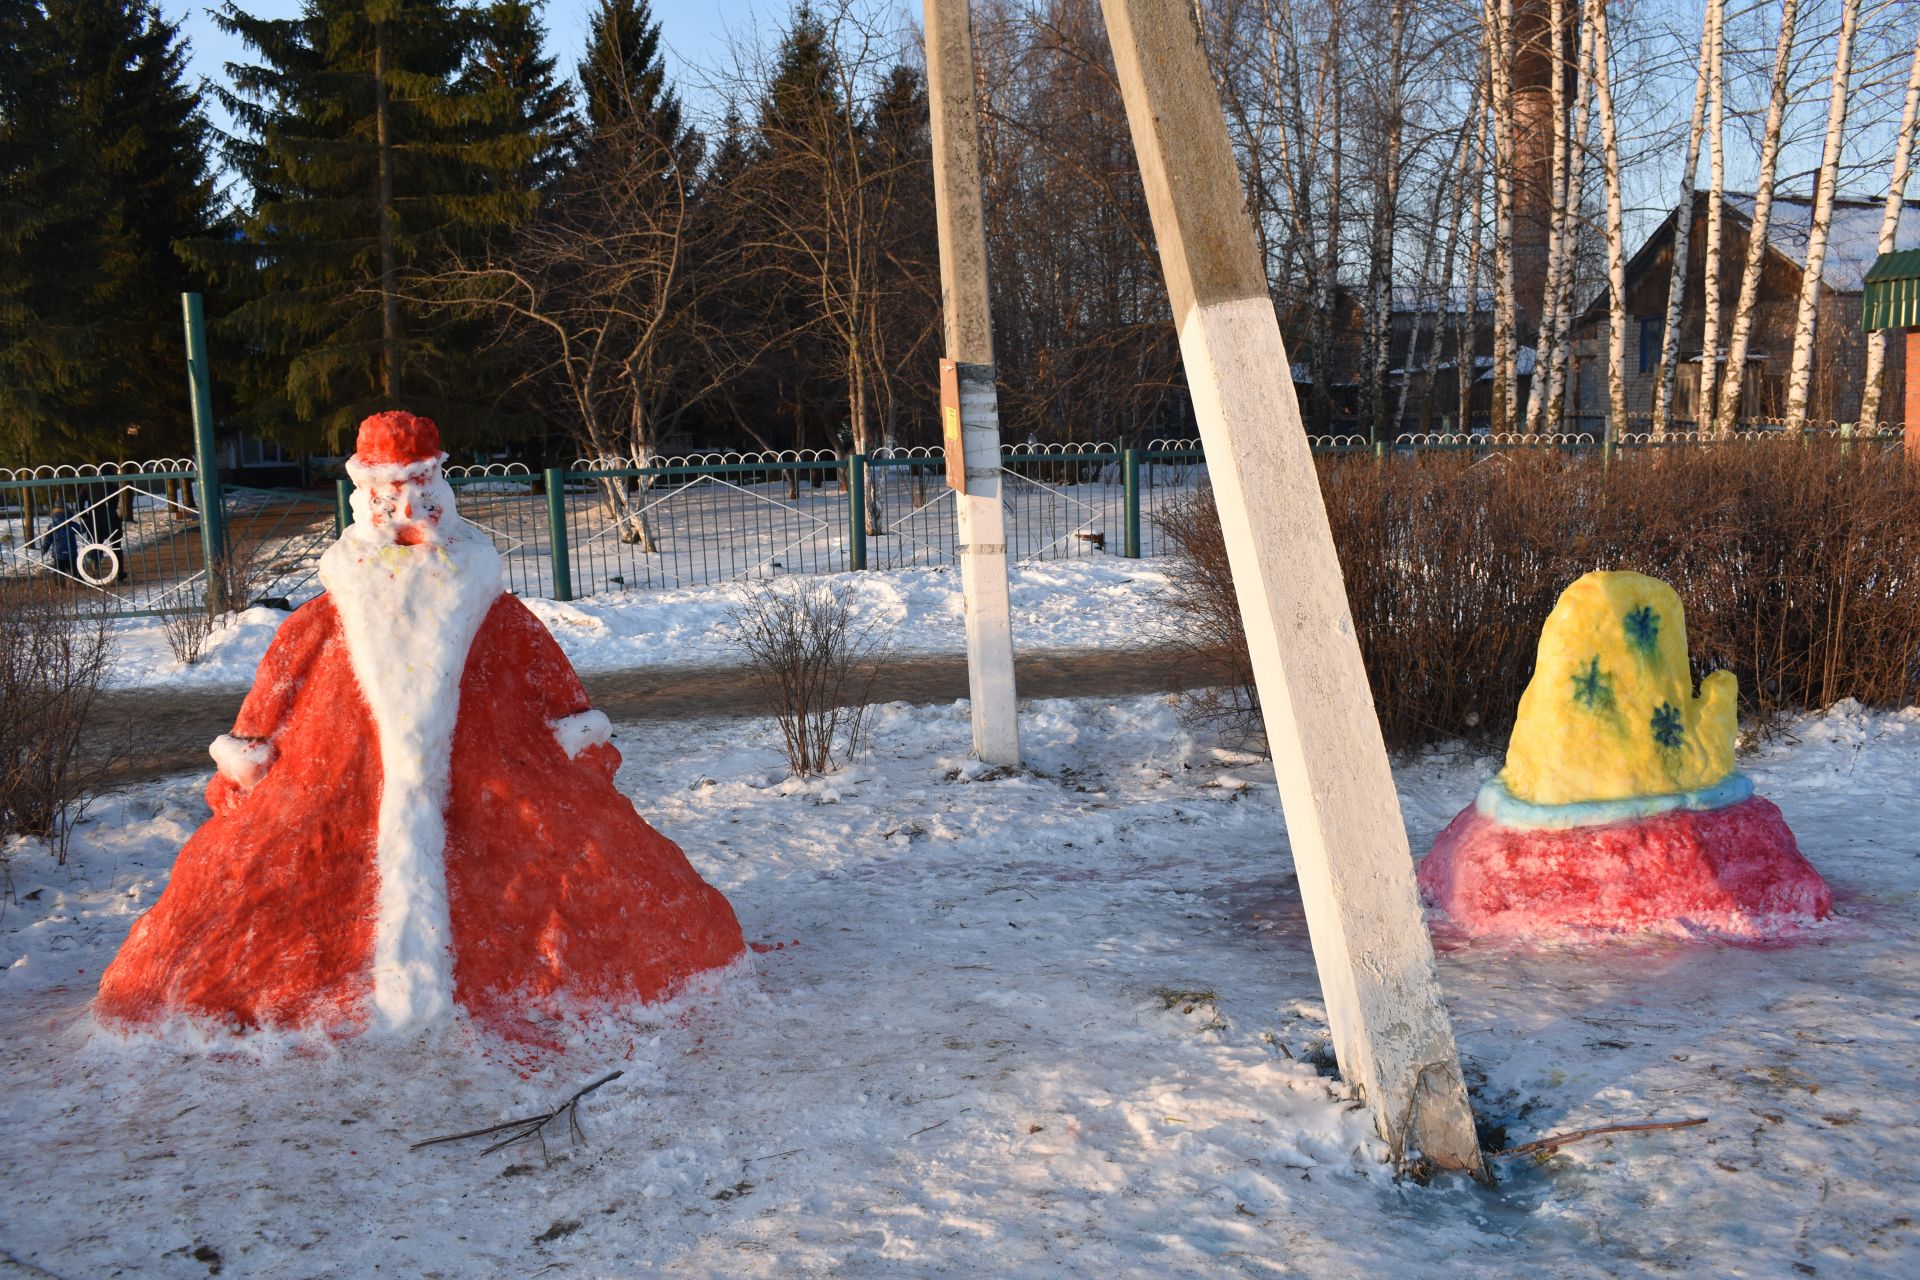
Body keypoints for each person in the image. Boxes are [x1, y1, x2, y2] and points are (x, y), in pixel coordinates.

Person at [96, 411, 745, 1041]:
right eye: (387, 497)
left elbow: (544, 671)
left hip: (500, 785)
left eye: (420, 492)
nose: (405, 513)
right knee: (265, 880)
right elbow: (281, 677)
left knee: (566, 866)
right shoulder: (327, 616)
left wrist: (576, 728)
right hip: (332, 785)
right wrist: (252, 743)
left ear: (441, 489)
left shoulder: (491, 608)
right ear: (363, 500)